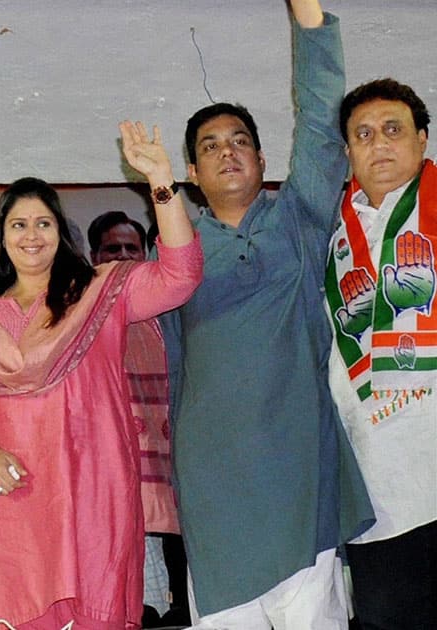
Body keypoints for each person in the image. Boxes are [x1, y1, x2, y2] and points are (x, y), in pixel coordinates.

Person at [160, 1, 376, 627]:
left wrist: (308, 15)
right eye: (210, 146)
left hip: (300, 482)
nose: (228, 153)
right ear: (192, 175)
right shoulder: (175, 252)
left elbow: (318, 123)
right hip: (214, 489)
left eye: (241, 142)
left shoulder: (300, 222)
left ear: (261, 160)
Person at [0, 119, 202, 628]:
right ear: (2, 236)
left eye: (43, 223)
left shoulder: (100, 292)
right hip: (19, 504)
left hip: (97, 498)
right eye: (19, 224)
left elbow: (182, 276)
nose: (32, 235)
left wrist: (161, 182)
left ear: (60, 233)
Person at [326, 78, 436, 629]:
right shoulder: (328, 233)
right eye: (363, 134)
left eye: (393, 129)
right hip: (375, 482)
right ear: (347, 152)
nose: (379, 144)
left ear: (421, 139)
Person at [89, 210, 188, 626]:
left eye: (134, 248)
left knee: (182, 605)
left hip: (175, 479)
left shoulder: (169, 310)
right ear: (94, 256)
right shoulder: (83, 316)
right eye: (114, 249)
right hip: (114, 482)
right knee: (133, 606)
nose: (125, 256)